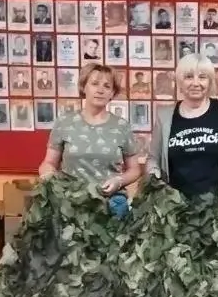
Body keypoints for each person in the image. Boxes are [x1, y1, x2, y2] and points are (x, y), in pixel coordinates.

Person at [146, 55, 218, 200]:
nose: (196, 83)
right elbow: (153, 158)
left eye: (202, 77)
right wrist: (153, 174)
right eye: (189, 77)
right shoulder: (164, 118)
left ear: (210, 81)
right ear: (180, 81)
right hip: (175, 207)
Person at [39, 63, 142, 215]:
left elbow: (135, 169)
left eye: (107, 86)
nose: (100, 90)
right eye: (94, 84)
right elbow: (48, 163)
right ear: (84, 87)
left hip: (111, 204)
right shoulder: (65, 123)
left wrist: (119, 181)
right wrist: (49, 177)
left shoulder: (122, 126)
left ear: (112, 93)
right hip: (71, 203)